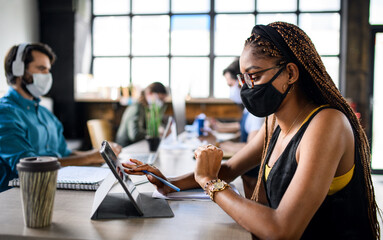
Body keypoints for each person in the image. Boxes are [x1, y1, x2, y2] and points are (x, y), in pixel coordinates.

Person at [122, 22, 380, 239]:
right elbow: (231, 169)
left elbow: (283, 229)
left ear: (290, 72)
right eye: (244, 78)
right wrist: (169, 183)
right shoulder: (273, 122)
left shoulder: (326, 124)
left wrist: (209, 183)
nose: (247, 87)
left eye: (254, 76)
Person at [0, 43, 122, 192]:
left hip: (54, 188)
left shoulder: (46, 115)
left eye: (48, 70)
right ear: (18, 70)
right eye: (41, 69)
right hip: (19, 197)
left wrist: (98, 154)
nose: (47, 75)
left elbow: (64, 153)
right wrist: (88, 158)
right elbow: (29, 166)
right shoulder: (5, 113)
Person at [209, 58, 264, 198]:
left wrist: (217, 144)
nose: (230, 90)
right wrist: (218, 129)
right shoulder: (249, 108)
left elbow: (251, 148)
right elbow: (241, 129)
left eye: (230, 84)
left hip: (253, 180)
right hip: (247, 177)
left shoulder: (257, 112)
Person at [116, 82, 168, 147]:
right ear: (150, 93)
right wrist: (155, 133)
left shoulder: (149, 108)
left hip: (138, 145)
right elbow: (135, 134)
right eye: (160, 99)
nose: (161, 102)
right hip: (127, 148)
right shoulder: (136, 108)